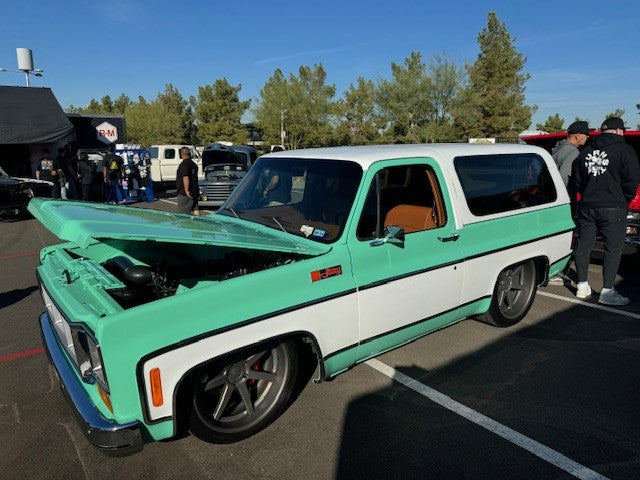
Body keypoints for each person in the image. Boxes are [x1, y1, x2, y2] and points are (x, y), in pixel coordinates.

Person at [569, 117, 640, 305]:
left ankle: (582, 286)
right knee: (613, 249)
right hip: (613, 207)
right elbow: (632, 180)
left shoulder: (585, 152)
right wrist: (622, 198)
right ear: (618, 131)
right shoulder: (625, 150)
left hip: (587, 206)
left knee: (584, 246)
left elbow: (577, 182)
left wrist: (589, 193)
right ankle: (607, 291)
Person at [551, 121, 590, 186]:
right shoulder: (572, 151)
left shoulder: (559, 147)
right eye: (586, 134)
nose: (588, 136)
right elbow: (564, 178)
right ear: (578, 136)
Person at [176, 146, 200, 215]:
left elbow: (185, 177)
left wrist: (186, 190)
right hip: (194, 190)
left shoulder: (184, 165)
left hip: (185, 193)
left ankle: (185, 225)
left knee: (183, 213)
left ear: (182, 154)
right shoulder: (194, 164)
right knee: (195, 208)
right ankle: (198, 222)